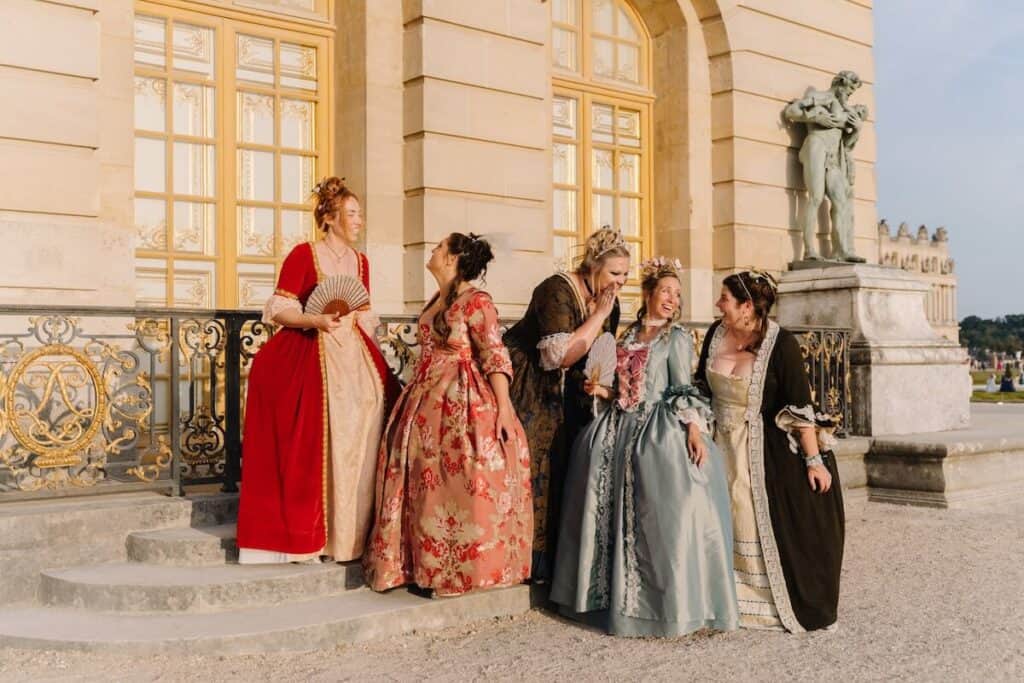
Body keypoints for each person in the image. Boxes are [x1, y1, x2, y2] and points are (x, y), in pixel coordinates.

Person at [550, 258, 739, 637]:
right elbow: (620, 389)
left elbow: (681, 387)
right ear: (649, 293)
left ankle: (663, 605)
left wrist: (693, 430)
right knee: (599, 498)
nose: (672, 299)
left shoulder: (676, 338)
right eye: (666, 291)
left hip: (658, 427)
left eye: (677, 294)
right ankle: (601, 597)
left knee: (662, 511)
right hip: (617, 426)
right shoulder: (627, 335)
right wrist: (600, 390)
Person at [237, 177, 399, 564]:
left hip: (354, 355)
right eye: (352, 213)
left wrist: (378, 351)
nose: (359, 221)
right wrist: (316, 320)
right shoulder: (303, 255)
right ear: (329, 217)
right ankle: (315, 535)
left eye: (360, 214)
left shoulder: (361, 262)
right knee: (318, 433)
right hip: (314, 348)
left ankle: (352, 537)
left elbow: (362, 312)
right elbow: (280, 308)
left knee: (368, 420)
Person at [363, 233, 533, 596]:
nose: (433, 250)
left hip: (462, 402)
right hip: (425, 400)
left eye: (440, 247)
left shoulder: (477, 301)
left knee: (455, 483)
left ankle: (456, 573)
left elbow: (494, 355)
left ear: (453, 259)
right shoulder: (438, 298)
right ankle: (416, 564)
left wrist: (503, 410)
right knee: (423, 482)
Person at [696, 270, 844, 632]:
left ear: (747, 306)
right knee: (714, 515)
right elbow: (700, 387)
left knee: (747, 512)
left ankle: (757, 600)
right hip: (716, 442)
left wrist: (813, 461)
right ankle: (716, 593)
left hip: (755, 447)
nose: (718, 304)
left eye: (725, 299)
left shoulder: (781, 344)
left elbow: (800, 406)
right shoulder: (715, 334)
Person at [503, 227, 629, 581]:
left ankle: (563, 565)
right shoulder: (555, 289)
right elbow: (558, 356)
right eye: (614, 273)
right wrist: (597, 316)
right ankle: (525, 561)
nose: (620, 282)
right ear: (593, 266)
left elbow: (599, 352)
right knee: (535, 467)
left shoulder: (610, 302)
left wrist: (597, 384)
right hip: (531, 386)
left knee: (571, 467)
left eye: (625, 275)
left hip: (572, 394)